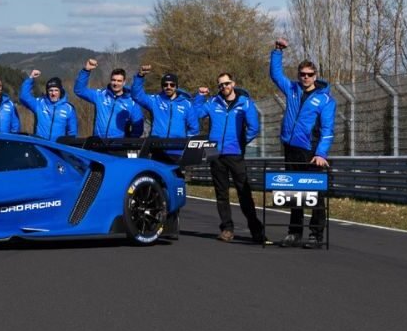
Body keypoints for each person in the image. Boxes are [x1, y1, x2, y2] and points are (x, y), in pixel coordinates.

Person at [270, 38, 336, 249]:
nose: (305, 78)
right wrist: (278, 52)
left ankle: (316, 235)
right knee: (293, 192)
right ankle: (294, 233)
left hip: (311, 152)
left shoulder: (325, 100)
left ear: (315, 76)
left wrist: (321, 154)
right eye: (302, 74)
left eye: (309, 75)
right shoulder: (292, 89)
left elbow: (327, 130)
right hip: (290, 148)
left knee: (315, 194)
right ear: (298, 75)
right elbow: (275, 74)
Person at [194, 73, 265, 243]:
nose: (224, 87)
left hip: (235, 153)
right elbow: (195, 114)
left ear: (233, 83)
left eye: (226, 83)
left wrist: (241, 142)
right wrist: (199, 97)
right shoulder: (212, 102)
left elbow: (254, 127)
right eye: (220, 85)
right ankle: (227, 228)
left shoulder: (245, 102)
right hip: (214, 153)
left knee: (244, 192)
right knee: (221, 193)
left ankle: (256, 229)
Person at [131, 65, 199, 163]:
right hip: (157, 149)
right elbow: (137, 95)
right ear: (162, 86)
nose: (168, 87)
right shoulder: (155, 101)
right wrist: (140, 76)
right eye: (165, 85)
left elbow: (194, 128)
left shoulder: (187, 104)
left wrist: (186, 145)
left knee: (175, 178)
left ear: (176, 86)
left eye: (172, 85)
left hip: (177, 151)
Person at [73, 58, 144, 138]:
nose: (115, 83)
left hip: (119, 147)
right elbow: (79, 90)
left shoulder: (131, 102)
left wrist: (128, 143)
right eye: (113, 80)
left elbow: (138, 126)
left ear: (124, 82)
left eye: (119, 81)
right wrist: (86, 70)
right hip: (98, 144)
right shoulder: (100, 95)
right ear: (110, 80)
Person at [19, 70, 78, 141]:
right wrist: (31, 78)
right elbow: (24, 96)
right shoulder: (39, 104)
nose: (53, 93)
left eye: (56, 90)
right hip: (40, 145)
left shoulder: (69, 108)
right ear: (47, 91)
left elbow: (72, 133)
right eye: (51, 90)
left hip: (58, 148)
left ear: (60, 91)